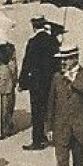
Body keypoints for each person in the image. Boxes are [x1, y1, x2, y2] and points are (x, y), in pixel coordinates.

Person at [19, 16, 59, 150]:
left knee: (37, 112)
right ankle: (54, 136)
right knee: (51, 108)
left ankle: (38, 139)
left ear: (34, 27)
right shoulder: (52, 40)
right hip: (50, 80)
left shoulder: (33, 42)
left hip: (36, 82)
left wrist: (22, 82)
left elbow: (27, 63)